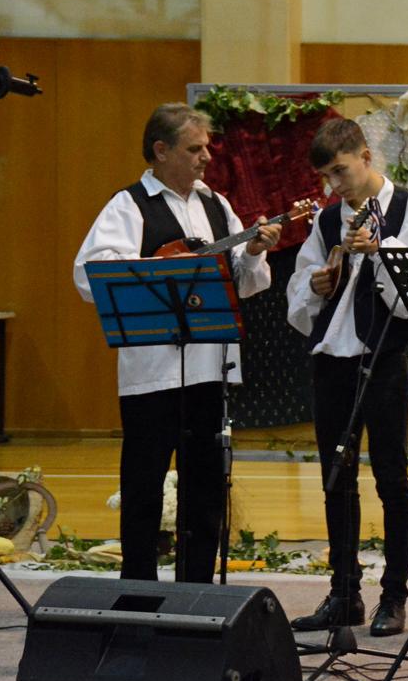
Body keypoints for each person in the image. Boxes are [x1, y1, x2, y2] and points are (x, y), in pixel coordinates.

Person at [74, 103, 280, 584]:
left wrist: (251, 252)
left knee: (205, 490)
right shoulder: (128, 205)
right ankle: (139, 593)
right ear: (160, 151)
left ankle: (196, 591)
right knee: (143, 487)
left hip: (209, 369)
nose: (206, 157)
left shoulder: (217, 205)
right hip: (151, 374)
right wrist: (160, 268)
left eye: (207, 147)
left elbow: (244, 284)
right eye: (194, 148)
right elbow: (90, 274)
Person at [287, 118, 408, 638]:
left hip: (383, 359)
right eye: (327, 177)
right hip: (332, 361)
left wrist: (380, 251)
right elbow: (301, 295)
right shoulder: (329, 220)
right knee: (337, 478)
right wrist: (317, 281)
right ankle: (344, 593)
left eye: (341, 171)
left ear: (366, 156)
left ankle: (393, 597)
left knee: (391, 478)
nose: (335, 185)